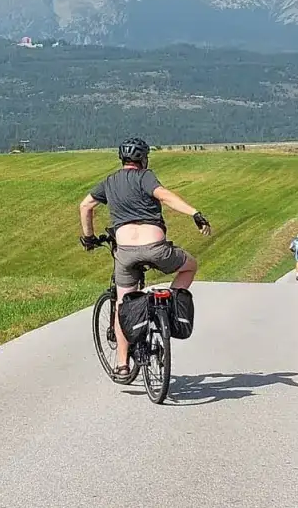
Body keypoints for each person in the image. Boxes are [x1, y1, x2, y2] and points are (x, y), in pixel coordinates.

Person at [79, 137, 211, 378]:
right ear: (143, 159)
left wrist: (88, 238)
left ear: (122, 160)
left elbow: (85, 206)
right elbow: (165, 195)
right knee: (190, 266)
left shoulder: (109, 181)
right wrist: (195, 213)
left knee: (122, 304)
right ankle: (168, 305)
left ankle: (122, 364)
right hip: (157, 249)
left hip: (126, 252)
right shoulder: (145, 176)